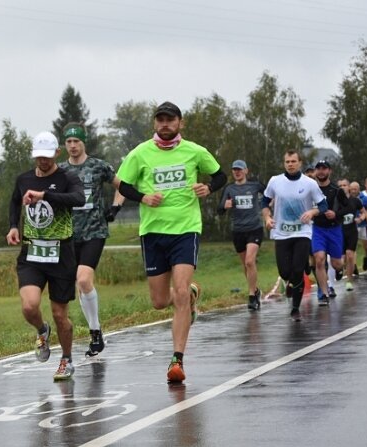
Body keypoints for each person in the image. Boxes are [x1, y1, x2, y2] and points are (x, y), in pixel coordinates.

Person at [116, 101, 226, 383]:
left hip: (186, 228)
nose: (165, 124)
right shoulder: (140, 153)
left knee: (176, 295)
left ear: (180, 122)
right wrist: (143, 197)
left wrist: (208, 187)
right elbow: (121, 183)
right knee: (159, 301)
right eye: (160, 120)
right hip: (152, 232)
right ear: (155, 123)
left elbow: (220, 174)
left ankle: (177, 361)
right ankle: (191, 293)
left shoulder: (195, 151)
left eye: (170, 119)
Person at [6, 131, 84, 381]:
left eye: (47, 156)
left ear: (56, 154)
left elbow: (78, 198)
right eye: (39, 157)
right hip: (32, 253)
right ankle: (42, 329)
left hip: (61, 253)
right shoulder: (24, 179)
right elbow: (15, 201)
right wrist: (13, 226)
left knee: (61, 315)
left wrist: (45, 195)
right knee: (29, 306)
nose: (43, 161)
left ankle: (66, 359)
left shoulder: (67, 178)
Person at [59, 122, 125, 356]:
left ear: (84, 142)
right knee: (79, 284)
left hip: (95, 231)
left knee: (84, 279)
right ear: (64, 144)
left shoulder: (98, 167)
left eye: (77, 141)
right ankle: (94, 329)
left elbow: (123, 186)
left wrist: (115, 208)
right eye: (69, 142)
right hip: (68, 235)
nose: (73, 146)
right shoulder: (59, 171)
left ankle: (96, 332)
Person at [261, 150, 327, 321]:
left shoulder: (309, 183)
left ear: (300, 163)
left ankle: (295, 309)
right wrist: (267, 217)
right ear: (284, 163)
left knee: (298, 270)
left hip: (302, 232)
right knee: (284, 271)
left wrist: (312, 212)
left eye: (293, 161)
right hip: (281, 232)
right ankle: (290, 282)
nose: (290, 164)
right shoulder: (275, 181)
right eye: (287, 161)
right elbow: (264, 201)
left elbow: (323, 205)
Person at [217, 159, 265, 310]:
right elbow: (219, 210)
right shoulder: (229, 189)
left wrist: (269, 207)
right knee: (246, 264)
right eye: (234, 170)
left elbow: (270, 195)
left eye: (239, 169)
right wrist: (225, 206)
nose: (237, 172)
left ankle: (251, 296)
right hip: (238, 230)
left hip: (254, 228)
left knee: (250, 262)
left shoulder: (255, 185)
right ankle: (256, 290)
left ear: (246, 171)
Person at [310, 160, 347, 305]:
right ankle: (324, 295)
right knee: (319, 259)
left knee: (337, 263)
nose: (321, 172)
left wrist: (336, 214)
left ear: (329, 171)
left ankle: (339, 270)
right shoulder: (311, 189)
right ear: (315, 172)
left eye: (324, 169)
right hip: (318, 228)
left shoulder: (337, 190)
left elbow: (348, 208)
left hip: (334, 229)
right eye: (318, 169)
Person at [336, 178, 366, 290]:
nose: (342, 187)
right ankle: (339, 269)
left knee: (349, 255)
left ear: (349, 187)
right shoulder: (336, 202)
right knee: (341, 259)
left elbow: (364, 212)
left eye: (344, 185)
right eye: (340, 186)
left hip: (352, 231)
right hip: (339, 232)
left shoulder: (355, 201)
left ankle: (348, 280)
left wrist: (360, 218)